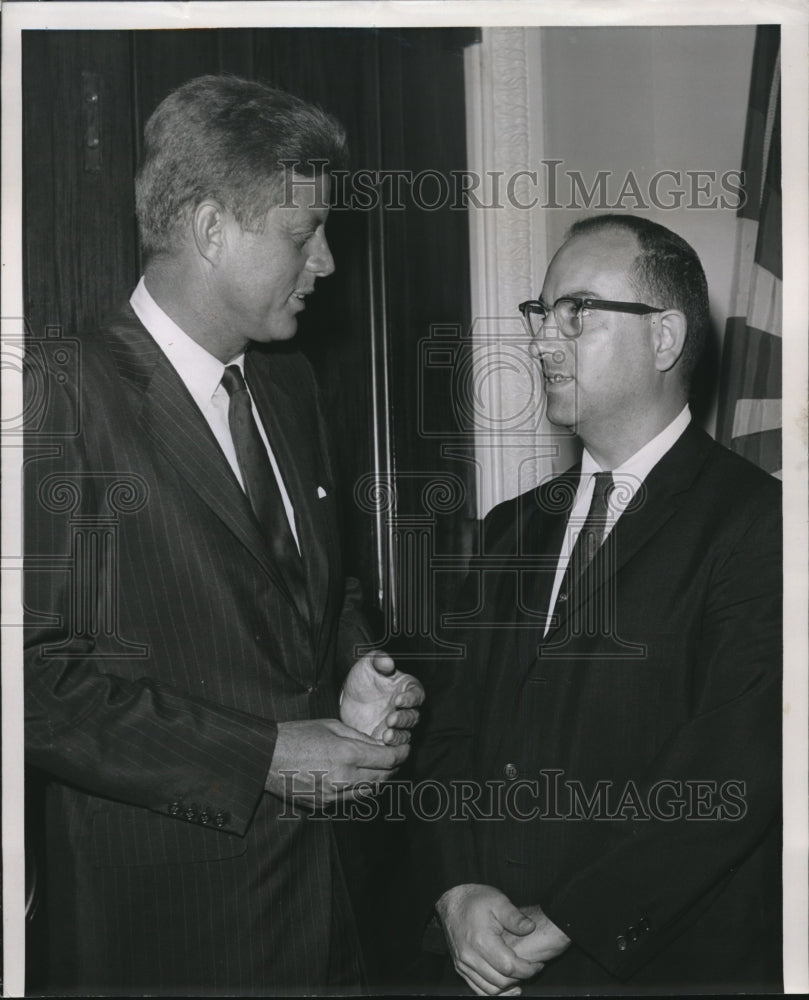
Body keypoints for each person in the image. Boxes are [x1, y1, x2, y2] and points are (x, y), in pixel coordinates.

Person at [24, 74, 423, 994]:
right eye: (302, 234)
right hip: (168, 937)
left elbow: (324, 601)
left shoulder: (288, 388)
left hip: (335, 917)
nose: (325, 262)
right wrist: (266, 757)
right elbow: (31, 683)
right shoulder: (57, 392)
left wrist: (365, 669)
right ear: (210, 229)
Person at [414, 215, 781, 994]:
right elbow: (447, 731)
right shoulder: (509, 526)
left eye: (575, 313)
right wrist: (457, 891)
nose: (543, 341)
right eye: (539, 315)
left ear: (664, 338)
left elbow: (735, 771)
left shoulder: (760, 523)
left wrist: (573, 919)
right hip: (482, 964)